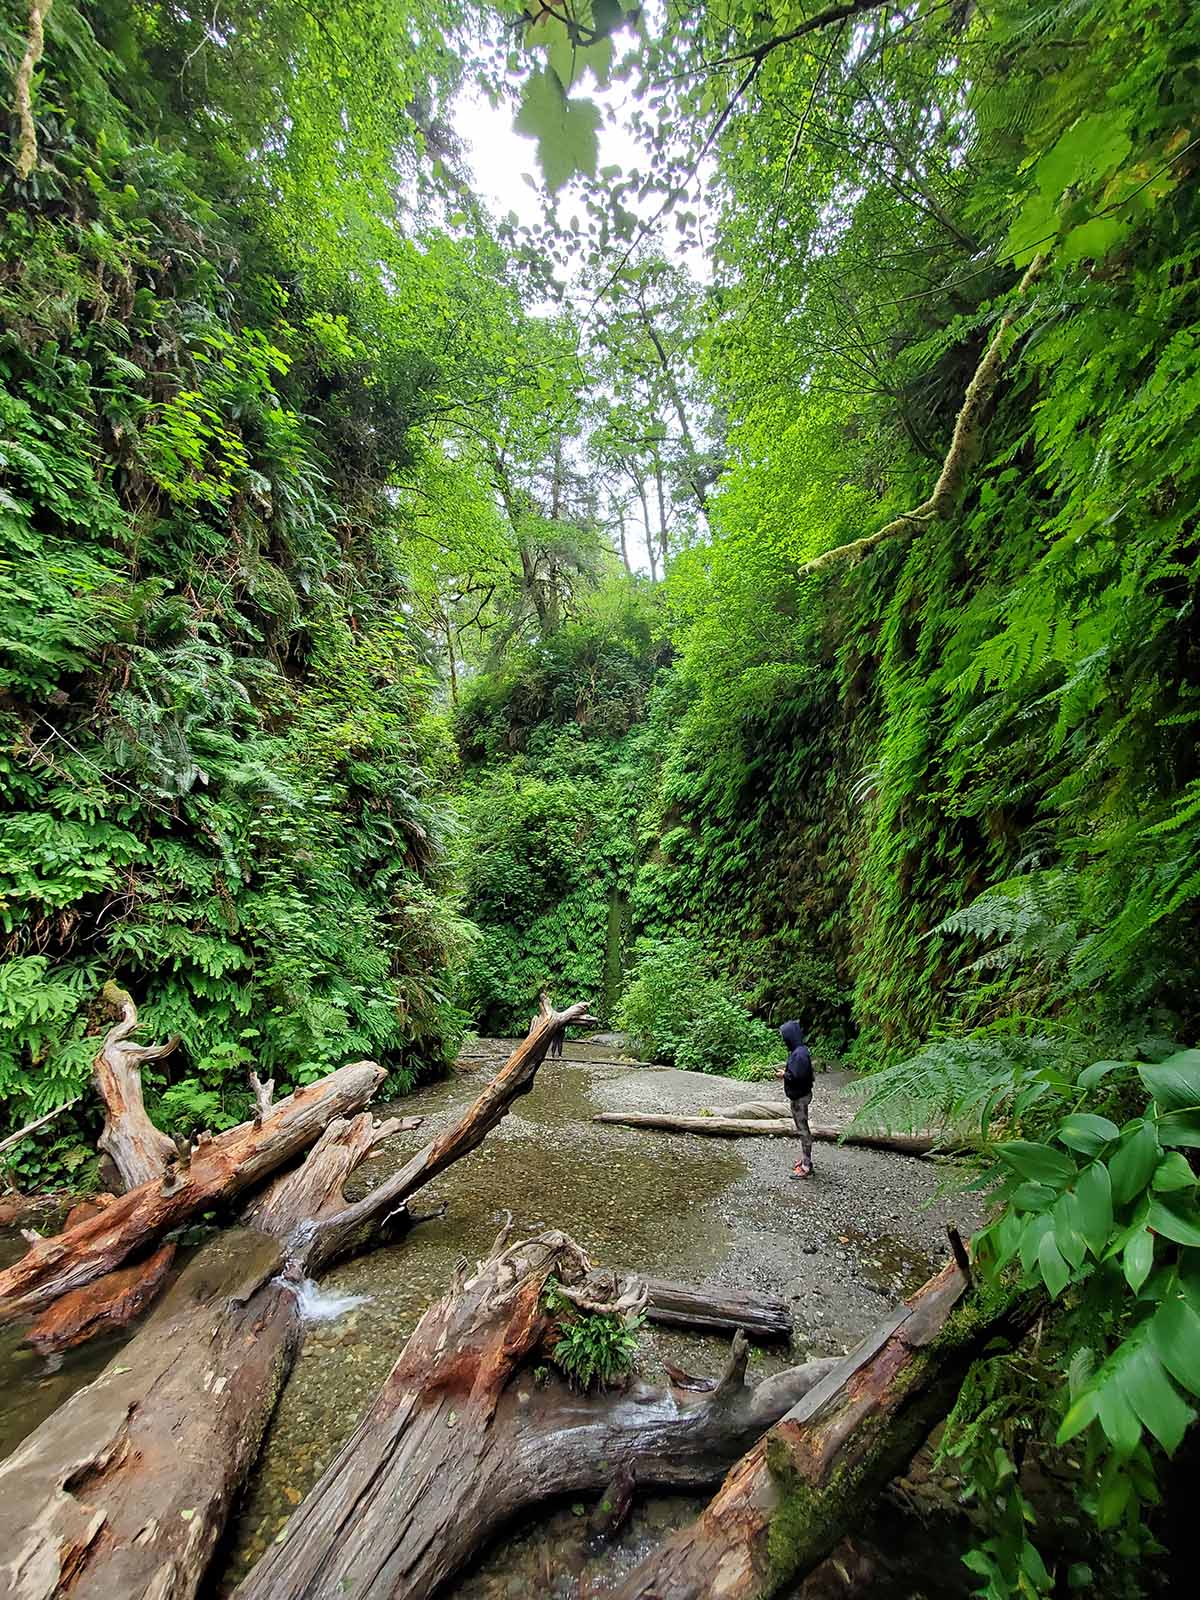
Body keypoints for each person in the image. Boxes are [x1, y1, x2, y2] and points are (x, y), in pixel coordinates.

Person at [780, 1020, 814, 1179]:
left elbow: (798, 1077)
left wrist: (783, 1075)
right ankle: (804, 1160)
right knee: (802, 1128)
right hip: (800, 1095)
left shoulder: (799, 1054)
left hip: (800, 1097)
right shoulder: (799, 1051)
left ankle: (806, 1166)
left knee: (803, 1130)